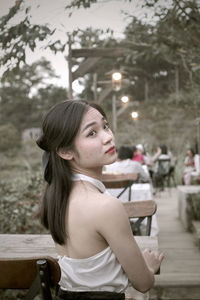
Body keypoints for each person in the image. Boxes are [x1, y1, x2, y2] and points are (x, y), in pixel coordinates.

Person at [36, 100, 163, 300]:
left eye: (105, 126)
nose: (108, 137)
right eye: (92, 133)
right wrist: (149, 266)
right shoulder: (106, 206)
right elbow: (143, 283)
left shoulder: (55, 194)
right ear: (65, 151)